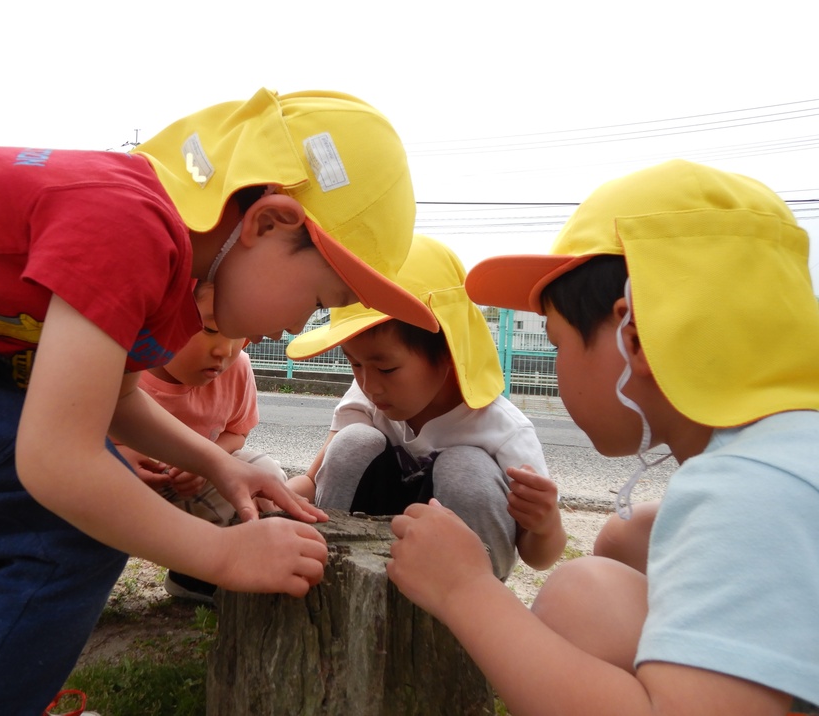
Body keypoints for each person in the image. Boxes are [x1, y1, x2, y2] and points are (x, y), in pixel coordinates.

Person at [0, 88, 439, 716]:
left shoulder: (172, 269)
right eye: (319, 298)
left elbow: (111, 400)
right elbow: (58, 459)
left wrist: (223, 463)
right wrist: (221, 553)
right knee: (67, 527)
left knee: (78, 522)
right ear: (269, 223)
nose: (296, 324)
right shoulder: (129, 224)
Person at [386, 160, 819, 715]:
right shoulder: (785, 457)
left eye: (558, 341)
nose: (556, 361)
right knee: (625, 538)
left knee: (578, 599)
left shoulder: (745, 492)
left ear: (633, 339)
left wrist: (466, 590)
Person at [285, 235, 566, 580]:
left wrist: (546, 524)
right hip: (366, 544)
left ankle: (466, 609)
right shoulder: (368, 393)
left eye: (386, 368)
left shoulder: (502, 432)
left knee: (466, 468)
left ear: (448, 352)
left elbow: (540, 557)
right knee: (353, 440)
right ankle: (329, 570)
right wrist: (276, 500)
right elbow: (314, 480)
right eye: (354, 364)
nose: (370, 385)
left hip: (456, 572)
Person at [115, 280, 286, 603]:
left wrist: (207, 461)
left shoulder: (237, 368)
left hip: (191, 486)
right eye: (209, 329)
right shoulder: (126, 369)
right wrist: (117, 457)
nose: (225, 349)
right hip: (120, 490)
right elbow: (74, 435)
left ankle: (196, 576)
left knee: (266, 472)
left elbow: (237, 431)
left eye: (239, 333)